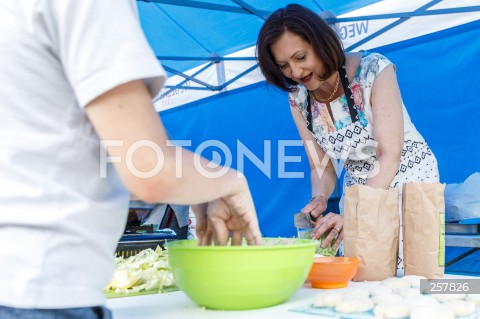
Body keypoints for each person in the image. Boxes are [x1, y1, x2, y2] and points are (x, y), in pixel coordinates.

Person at [0, 0, 261, 318]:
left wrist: (197, 187)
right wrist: (231, 182)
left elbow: (85, 160)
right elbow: (149, 169)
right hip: (42, 288)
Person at [256, 4, 439, 251]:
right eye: (283, 65)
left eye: (300, 57)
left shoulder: (374, 69)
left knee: (412, 276)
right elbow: (320, 165)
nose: (295, 71)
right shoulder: (298, 100)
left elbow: (389, 154)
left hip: (409, 184)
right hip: (358, 191)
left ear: (321, 42)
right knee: (361, 274)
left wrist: (355, 213)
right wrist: (319, 198)